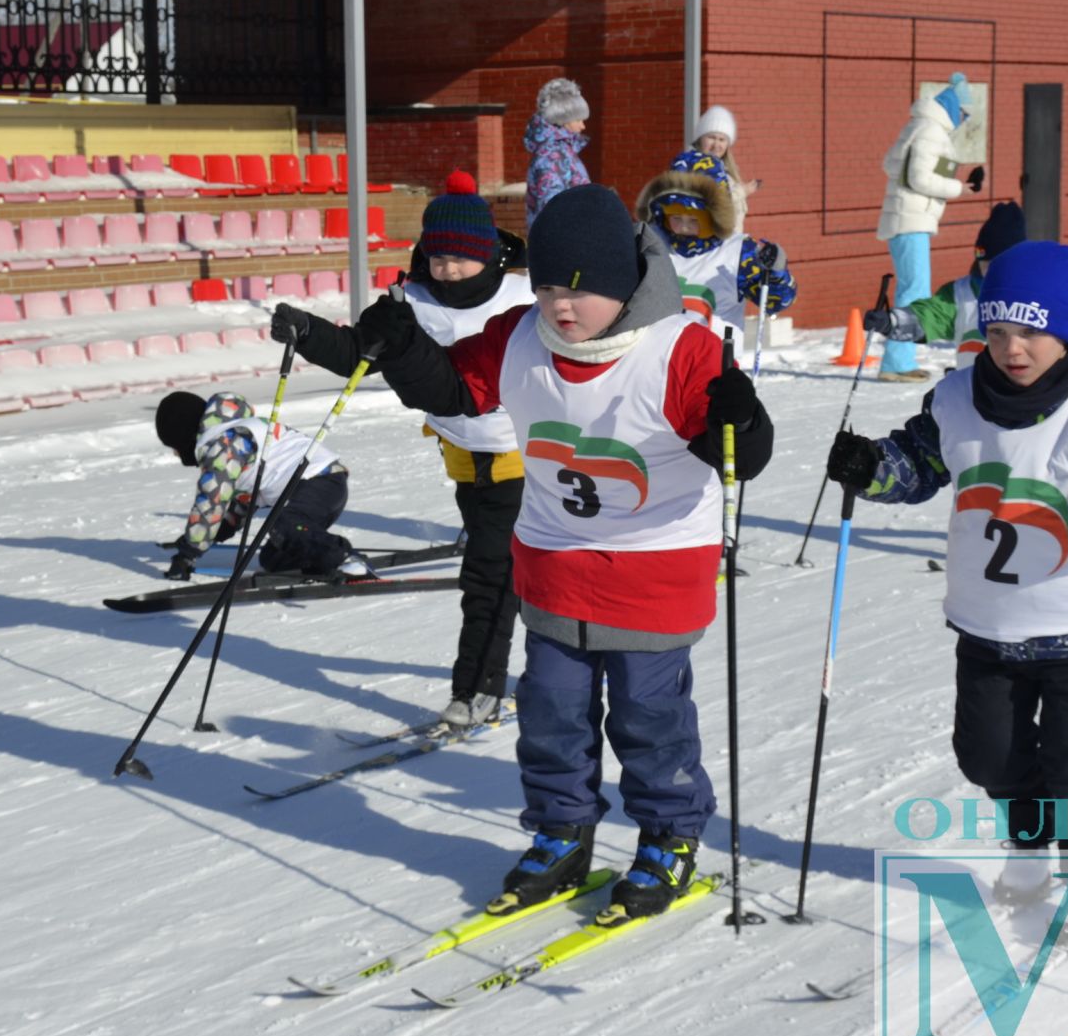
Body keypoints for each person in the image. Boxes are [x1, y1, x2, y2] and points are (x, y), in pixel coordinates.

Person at [352, 183, 775, 922]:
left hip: (653, 572)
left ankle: (668, 835)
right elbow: (456, 389)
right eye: (547, 287)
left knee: (648, 717)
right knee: (549, 711)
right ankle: (562, 829)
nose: (560, 307)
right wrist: (401, 346)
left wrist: (742, 418)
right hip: (551, 566)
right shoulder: (520, 335)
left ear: (620, 284)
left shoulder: (679, 348)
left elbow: (736, 451)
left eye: (579, 291)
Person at [825, 241, 1068, 932]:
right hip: (986, 621)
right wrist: (870, 467)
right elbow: (917, 464)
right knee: (987, 754)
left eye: (1030, 331)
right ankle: (1028, 844)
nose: (1012, 348)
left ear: (1067, 330)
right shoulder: (958, 395)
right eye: (997, 331)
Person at [269, 171, 533, 728]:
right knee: (504, 574)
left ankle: (478, 690)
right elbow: (359, 353)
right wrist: (309, 332)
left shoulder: (524, 295)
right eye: (437, 259)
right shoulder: (407, 301)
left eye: (461, 259)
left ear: (488, 255)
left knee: (492, 577)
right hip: (466, 465)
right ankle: (513, 675)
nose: (448, 270)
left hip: (530, 463)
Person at [154, 390, 369, 582]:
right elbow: (240, 504)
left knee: (285, 526)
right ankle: (320, 560)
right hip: (322, 487)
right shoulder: (234, 435)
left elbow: (212, 501)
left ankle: (344, 559)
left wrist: (187, 554)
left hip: (319, 482)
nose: (176, 454)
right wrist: (209, 533)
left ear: (185, 436)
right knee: (272, 557)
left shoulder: (223, 444)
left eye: (174, 447)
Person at [864, 201, 1068, 365]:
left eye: (996, 264)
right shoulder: (961, 294)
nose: (987, 270)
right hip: (973, 399)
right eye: (983, 262)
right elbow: (932, 316)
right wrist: (892, 321)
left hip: (1033, 395)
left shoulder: (1042, 287)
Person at [876, 72, 987, 383]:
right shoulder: (930, 131)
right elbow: (919, 178)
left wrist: (959, 184)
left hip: (907, 217)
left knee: (913, 287)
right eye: (964, 114)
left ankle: (899, 359)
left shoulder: (919, 127)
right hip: (910, 218)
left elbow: (895, 164)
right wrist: (956, 188)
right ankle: (897, 363)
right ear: (953, 109)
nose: (964, 120)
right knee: (915, 290)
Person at [636, 149, 796, 351]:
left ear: (714, 216)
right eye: (675, 218)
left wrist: (775, 275)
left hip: (717, 367)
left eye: (694, 220)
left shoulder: (738, 251)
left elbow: (774, 302)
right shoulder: (651, 242)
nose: (684, 227)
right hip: (658, 364)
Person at [524, 77, 591, 228]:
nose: (583, 126)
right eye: (578, 119)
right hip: (561, 241)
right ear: (563, 119)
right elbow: (551, 207)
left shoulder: (563, 152)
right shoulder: (551, 157)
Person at [691, 104, 760, 235]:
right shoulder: (695, 169)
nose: (716, 145)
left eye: (722, 139)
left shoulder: (727, 172)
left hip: (728, 247)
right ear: (700, 139)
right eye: (711, 137)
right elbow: (712, 205)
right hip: (709, 249)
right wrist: (741, 191)